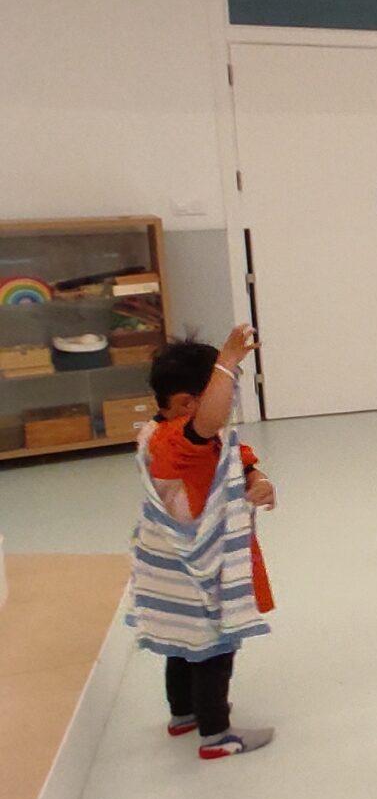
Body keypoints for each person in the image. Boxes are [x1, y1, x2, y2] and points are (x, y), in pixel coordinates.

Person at [128, 325, 276, 759]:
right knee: (213, 647)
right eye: (224, 390)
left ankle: (184, 713)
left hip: (175, 570)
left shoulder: (184, 435)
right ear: (187, 404)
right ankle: (216, 734)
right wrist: (225, 363)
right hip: (198, 568)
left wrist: (258, 480)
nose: (230, 401)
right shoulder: (174, 441)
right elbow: (208, 425)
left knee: (182, 643)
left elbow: (236, 458)